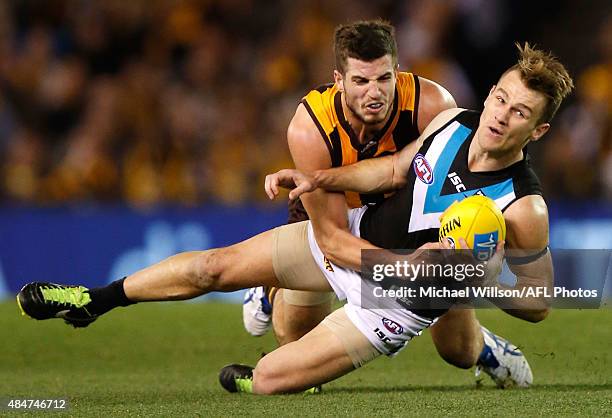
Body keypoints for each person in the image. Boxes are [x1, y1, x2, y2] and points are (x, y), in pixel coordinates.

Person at [16, 43, 573, 394]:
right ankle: (95, 300)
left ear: (537, 131)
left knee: (265, 381)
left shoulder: (524, 207)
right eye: (501, 97)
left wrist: (479, 276)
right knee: (214, 266)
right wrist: (317, 180)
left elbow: (542, 302)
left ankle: (487, 351)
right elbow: (392, 171)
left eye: (519, 111)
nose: (500, 115)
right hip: (360, 241)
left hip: (392, 307)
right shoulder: (455, 121)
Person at [241, 19, 530, 387]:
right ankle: (271, 285)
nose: (374, 92)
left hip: (401, 222)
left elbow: (434, 174)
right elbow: (331, 234)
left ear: (398, 72)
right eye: (361, 81)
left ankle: (486, 349)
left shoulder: (432, 106)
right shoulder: (312, 122)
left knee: (456, 349)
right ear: (339, 80)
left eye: (383, 79)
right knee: (294, 337)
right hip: (336, 215)